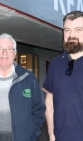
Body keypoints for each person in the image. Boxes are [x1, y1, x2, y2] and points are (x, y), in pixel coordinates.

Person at [0, 33, 45, 141]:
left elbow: (38, 110)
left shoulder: (28, 78)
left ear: (14, 53)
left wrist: (31, 136)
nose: (4, 53)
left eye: (9, 49)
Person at [43, 10, 83, 141]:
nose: (72, 35)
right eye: (67, 30)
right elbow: (49, 101)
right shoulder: (55, 64)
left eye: (78, 29)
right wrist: (51, 135)